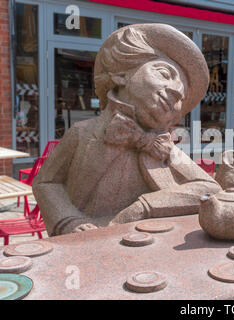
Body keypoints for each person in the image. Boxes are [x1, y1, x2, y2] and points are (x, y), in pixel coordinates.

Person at [33, 24, 221, 235]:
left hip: (142, 242)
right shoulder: (82, 133)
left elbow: (209, 188)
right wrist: (67, 220)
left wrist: (145, 206)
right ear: (121, 74)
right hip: (86, 239)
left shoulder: (160, 146)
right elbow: (46, 182)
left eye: (183, 96)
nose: (178, 92)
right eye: (164, 73)